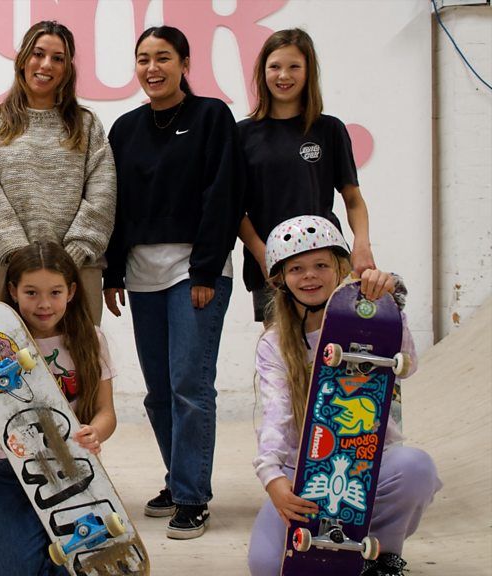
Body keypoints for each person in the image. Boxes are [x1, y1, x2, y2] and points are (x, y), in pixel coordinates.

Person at [104, 25, 242, 539]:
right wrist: (113, 272)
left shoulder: (212, 117)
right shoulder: (124, 128)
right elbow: (115, 206)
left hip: (194, 272)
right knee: (158, 393)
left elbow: (222, 194)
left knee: (189, 386)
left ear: (185, 62)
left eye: (163, 57)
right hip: (141, 275)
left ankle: (191, 496)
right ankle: (176, 479)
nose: (152, 68)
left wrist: (207, 268)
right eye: (143, 59)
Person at [248, 215, 440, 576]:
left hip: (371, 463)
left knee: (416, 468)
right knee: (265, 566)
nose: (309, 276)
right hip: (303, 472)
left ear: (340, 268)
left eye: (321, 265)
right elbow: (277, 415)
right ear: (281, 281)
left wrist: (390, 306)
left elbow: (408, 364)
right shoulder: (274, 344)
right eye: (296, 268)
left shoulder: (371, 321)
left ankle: (382, 555)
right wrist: (273, 478)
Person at [0, 241, 117, 575]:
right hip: (12, 472)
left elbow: (106, 412)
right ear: (12, 291)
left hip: (74, 472)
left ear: (71, 291)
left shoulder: (90, 338)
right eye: (31, 293)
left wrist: (95, 432)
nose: (44, 304)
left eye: (54, 292)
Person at [0, 20, 116, 323]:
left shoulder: (87, 125)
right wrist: (22, 260)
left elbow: (102, 194)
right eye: (38, 54)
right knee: (14, 367)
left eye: (58, 58)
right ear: (23, 59)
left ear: (67, 68)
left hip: (78, 272)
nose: (46, 64)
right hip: (14, 273)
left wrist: (71, 256)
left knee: (82, 368)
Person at [239, 28, 375, 323]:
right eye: (275, 66)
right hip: (271, 269)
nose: (283, 75)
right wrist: (264, 254)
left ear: (308, 72)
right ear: (263, 72)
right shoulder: (242, 135)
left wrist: (362, 244)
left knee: (332, 355)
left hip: (325, 262)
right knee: (280, 358)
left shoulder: (330, 130)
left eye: (294, 67)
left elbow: (352, 199)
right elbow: (235, 210)